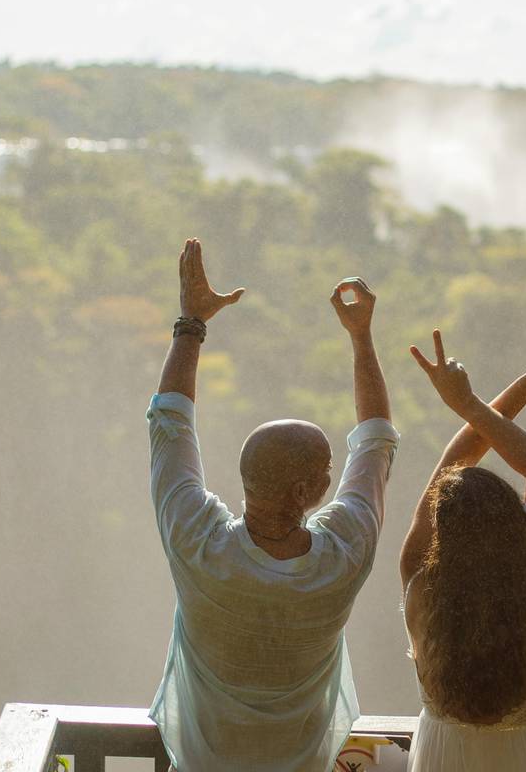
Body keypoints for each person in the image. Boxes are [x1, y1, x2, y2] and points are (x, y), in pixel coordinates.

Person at [146, 238, 399, 771]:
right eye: (327, 469)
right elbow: (376, 440)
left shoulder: (196, 545)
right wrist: (361, 339)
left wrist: (191, 321)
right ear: (308, 492)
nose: (336, 473)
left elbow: (169, 424)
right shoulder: (344, 555)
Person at [399, 329, 526, 771]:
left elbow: (453, 469)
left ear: (441, 531)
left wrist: (506, 394)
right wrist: (473, 402)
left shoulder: (420, 587)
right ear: (516, 522)